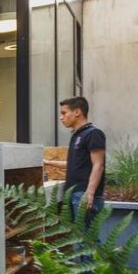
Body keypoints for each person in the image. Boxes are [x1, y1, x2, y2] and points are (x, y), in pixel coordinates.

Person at [43, 96, 106, 229]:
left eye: (64, 113)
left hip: (84, 195)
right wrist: (47, 162)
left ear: (77, 112)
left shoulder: (94, 134)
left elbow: (98, 165)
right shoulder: (77, 135)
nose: (61, 118)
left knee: (86, 238)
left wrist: (89, 193)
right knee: (81, 238)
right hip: (74, 194)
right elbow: (74, 164)